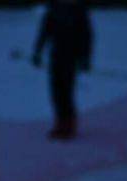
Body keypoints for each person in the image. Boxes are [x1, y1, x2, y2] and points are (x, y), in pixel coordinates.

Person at [32, 0, 92, 141]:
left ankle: (69, 126)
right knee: (56, 93)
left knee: (67, 93)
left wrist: (85, 58)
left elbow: (87, 36)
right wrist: (37, 53)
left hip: (71, 58)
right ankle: (60, 124)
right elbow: (44, 32)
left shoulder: (78, 10)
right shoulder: (53, 10)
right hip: (56, 57)